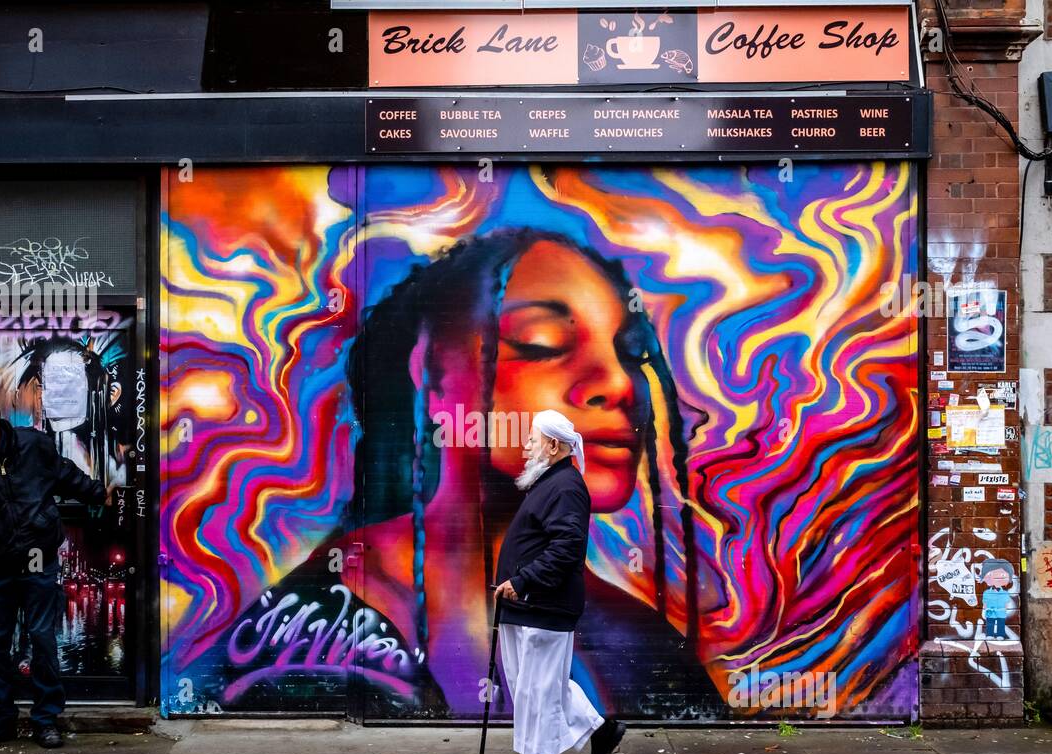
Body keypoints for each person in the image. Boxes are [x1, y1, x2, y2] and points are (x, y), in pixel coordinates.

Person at [196, 228, 726, 721]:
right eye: (541, 343)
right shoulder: (317, 625)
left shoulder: (635, 639)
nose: (618, 383)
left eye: (631, 352)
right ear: (433, 376)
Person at [0, 394, 111, 749]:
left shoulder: (33, 446)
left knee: (43, 639)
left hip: (37, 559)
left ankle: (45, 720)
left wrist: (98, 493)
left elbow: (65, 475)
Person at [490, 410, 626, 754]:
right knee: (533, 686)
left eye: (532, 439)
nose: (526, 445)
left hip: (542, 606)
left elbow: (567, 548)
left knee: (537, 689)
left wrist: (524, 581)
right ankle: (602, 732)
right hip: (528, 605)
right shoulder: (550, 482)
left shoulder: (566, 486)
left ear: (553, 446)